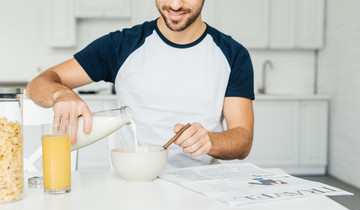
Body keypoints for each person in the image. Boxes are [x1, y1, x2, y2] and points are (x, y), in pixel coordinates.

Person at [26, 0, 255, 168]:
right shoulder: (121, 46)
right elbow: (38, 84)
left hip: (204, 188)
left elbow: (243, 140)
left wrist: (210, 141)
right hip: (133, 186)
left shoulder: (233, 55)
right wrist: (61, 95)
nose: (175, 5)